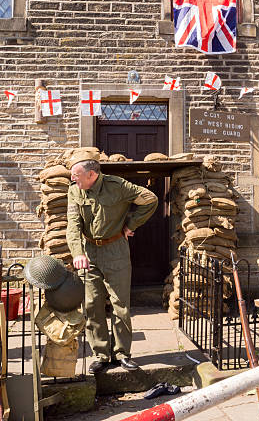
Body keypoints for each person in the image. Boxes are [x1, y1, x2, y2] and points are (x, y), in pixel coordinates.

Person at [66, 152, 158, 374]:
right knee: (92, 305)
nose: (73, 179)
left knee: (120, 305)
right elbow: (73, 224)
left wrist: (131, 225)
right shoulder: (74, 191)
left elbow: (150, 200)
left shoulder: (118, 186)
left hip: (115, 250)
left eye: (76, 175)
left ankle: (122, 354)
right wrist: (77, 253)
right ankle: (101, 355)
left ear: (91, 174)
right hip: (88, 253)